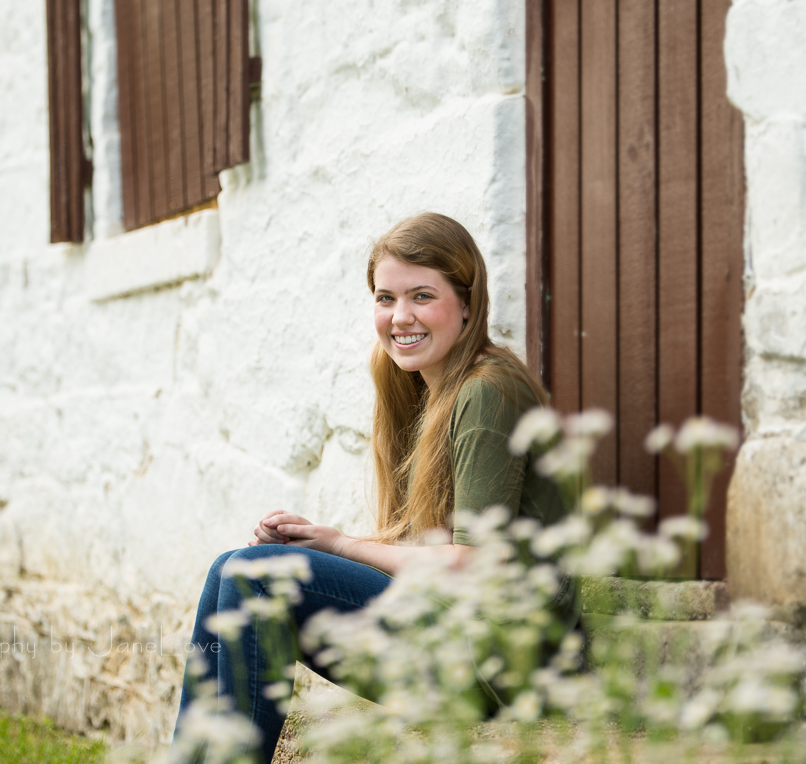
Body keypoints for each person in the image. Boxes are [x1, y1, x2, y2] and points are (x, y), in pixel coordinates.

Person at [172, 213, 572, 763]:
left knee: (256, 576)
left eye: (422, 296)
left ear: (468, 302)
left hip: (501, 662)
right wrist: (315, 543)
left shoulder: (488, 391)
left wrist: (337, 546)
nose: (400, 317)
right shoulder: (414, 387)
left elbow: (475, 565)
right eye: (385, 298)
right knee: (233, 569)